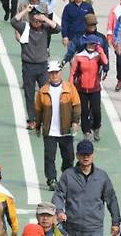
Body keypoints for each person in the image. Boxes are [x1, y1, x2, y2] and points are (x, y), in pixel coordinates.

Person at [52, 140, 121, 236]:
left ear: (93, 155)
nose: (86, 157)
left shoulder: (102, 177)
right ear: (77, 155)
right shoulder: (68, 175)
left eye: (88, 154)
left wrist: (115, 222)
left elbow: (111, 199)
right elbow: (58, 195)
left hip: (94, 229)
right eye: (83, 154)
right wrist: (59, 211)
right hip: (72, 228)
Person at [13, 5, 62, 130]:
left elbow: (58, 28)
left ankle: (47, 118)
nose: (37, 22)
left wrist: (45, 19)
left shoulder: (45, 28)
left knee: (46, 93)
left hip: (42, 66)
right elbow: (13, 21)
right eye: (34, 19)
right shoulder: (25, 27)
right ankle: (32, 120)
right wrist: (26, 10)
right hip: (28, 66)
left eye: (39, 20)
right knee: (29, 94)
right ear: (30, 18)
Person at [35, 60, 81, 191]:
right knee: (49, 156)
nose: (54, 75)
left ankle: (66, 177)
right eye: (52, 73)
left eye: (56, 72)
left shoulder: (69, 88)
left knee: (69, 156)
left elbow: (76, 106)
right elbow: (38, 109)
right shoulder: (43, 90)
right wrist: (38, 126)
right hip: (49, 130)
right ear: (48, 74)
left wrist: (75, 121)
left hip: (66, 130)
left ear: (60, 72)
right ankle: (51, 179)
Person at [69, 36, 108, 142]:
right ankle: (86, 132)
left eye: (94, 44)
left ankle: (96, 127)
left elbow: (105, 62)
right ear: (86, 44)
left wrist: (101, 51)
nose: (92, 46)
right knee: (84, 112)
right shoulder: (79, 56)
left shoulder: (98, 56)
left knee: (96, 112)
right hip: (81, 89)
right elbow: (72, 73)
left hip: (95, 88)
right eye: (90, 43)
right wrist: (71, 87)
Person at [62, 13, 110, 78]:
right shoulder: (78, 38)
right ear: (85, 24)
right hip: (81, 69)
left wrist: (106, 68)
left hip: (96, 69)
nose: (93, 26)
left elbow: (105, 53)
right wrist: (65, 60)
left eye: (94, 24)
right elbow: (71, 50)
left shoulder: (101, 38)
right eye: (90, 25)